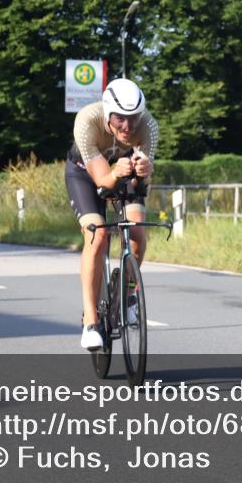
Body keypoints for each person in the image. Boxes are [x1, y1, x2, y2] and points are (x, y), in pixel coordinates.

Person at [65, 78, 159, 350]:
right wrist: (115, 172)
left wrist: (143, 173)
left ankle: (128, 295)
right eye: (120, 119)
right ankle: (91, 321)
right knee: (98, 235)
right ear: (107, 113)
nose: (128, 127)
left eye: (133, 118)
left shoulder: (148, 125)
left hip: (124, 173)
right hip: (85, 174)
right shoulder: (87, 120)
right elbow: (102, 181)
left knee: (138, 233)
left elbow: (140, 187)